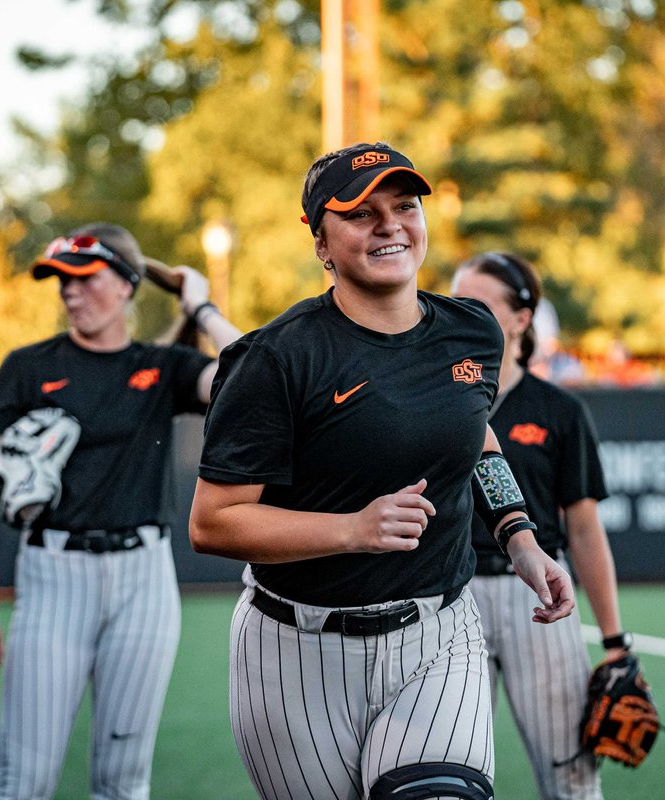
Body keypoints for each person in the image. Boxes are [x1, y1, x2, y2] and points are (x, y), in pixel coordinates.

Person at [188, 142, 574, 800]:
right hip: (295, 648)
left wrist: (519, 536)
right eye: (361, 213)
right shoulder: (274, 358)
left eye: (404, 206)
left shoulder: (474, 331)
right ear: (321, 243)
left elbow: (475, 436)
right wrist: (351, 530)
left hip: (440, 632)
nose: (390, 224)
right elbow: (212, 523)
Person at [0, 222, 242, 800]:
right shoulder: (28, 367)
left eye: (85, 277)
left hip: (144, 580)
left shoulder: (163, 367)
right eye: (62, 280)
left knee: (123, 783)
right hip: (52, 576)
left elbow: (253, 375)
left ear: (127, 284)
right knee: (23, 782)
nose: (70, 290)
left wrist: (201, 306)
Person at [451, 252, 629, 800]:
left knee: (570, 776)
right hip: (449, 594)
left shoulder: (559, 410)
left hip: (538, 595)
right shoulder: (432, 400)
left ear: (521, 319)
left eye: (478, 303)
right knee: (446, 773)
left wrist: (614, 641)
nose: (462, 313)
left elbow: (585, 532)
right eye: (455, 302)